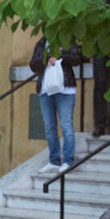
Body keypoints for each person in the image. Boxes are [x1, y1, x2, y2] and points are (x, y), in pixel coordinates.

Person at [31, 38, 81, 173]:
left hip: (65, 88)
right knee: (49, 127)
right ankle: (54, 161)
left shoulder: (67, 39)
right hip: (45, 90)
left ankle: (68, 161)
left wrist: (61, 55)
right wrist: (45, 59)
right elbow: (33, 65)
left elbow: (76, 59)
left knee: (66, 125)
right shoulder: (41, 43)